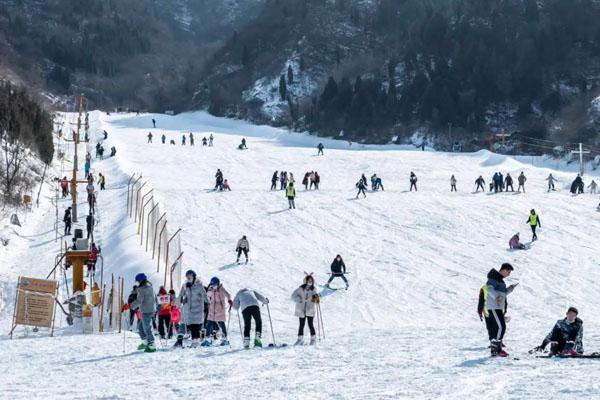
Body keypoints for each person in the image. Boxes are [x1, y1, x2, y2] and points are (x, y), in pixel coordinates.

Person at [477, 263, 517, 357]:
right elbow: (489, 289)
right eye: (508, 271)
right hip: (493, 307)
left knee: (500, 327)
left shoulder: (500, 280)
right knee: (501, 327)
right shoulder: (493, 278)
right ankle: (496, 349)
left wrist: (510, 289)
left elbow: (502, 294)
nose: (509, 274)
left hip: (498, 307)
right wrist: (497, 297)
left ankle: (497, 348)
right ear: (503, 270)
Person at [175, 270, 208, 348]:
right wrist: (178, 303)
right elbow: (180, 295)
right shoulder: (185, 285)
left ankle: (195, 342)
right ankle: (195, 341)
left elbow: (204, 295)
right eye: (187, 277)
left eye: (190, 276)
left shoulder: (199, 285)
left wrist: (208, 302)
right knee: (191, 325)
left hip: (197, 308)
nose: (188, 278)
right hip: (189, 310)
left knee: (195, 326)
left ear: (194, 276)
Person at [202, 277, 233, 346]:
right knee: (209, 324)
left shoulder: (222, 289)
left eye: (215, 284)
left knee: (221, 323)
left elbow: (228, 295)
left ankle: (225, 339)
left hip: (220, 310)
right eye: (212, 284)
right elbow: (207, 295)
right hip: (212, 310)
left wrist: (229, 300)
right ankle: (207, 340)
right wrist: (209, 289)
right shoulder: (211, 290)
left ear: (218, 284)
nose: (214, 286)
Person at [131, 273, 157, 352]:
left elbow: (139, 300)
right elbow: (155, 297)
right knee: (141, 327)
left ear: (140, 281)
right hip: (150, 309)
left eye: (138, 281)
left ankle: (152, 345)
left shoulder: (142, 289)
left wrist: (132, 306)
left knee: (146, 327)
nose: (138, 283)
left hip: (146, 311)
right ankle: (145, 342)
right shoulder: (150, 287)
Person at [291, 274, 319, 346]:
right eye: (309, 280)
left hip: (310, 309)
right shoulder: (300, 289)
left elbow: (317, 299)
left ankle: (313, 339)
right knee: (301, 325)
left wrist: (315, 299)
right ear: (306, 281)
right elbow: (293, 296)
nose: (310, 282)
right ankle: (300, 339)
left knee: (310, 324)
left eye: (311, 281)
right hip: (301, 309)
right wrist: (299, 299)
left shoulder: (314, 289)